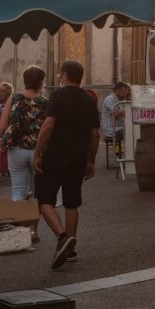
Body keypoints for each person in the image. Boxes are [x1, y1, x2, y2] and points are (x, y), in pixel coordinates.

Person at [33, 59, 100, 269]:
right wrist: (91, 160)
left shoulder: (58, 95)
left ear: (63, 76)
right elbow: (95, 134)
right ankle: (70, 248)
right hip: (79, 155)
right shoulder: (89, 99)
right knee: (72, 201)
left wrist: (38, 152)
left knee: (44, 199)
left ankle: (62, 237)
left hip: (55, 153)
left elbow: (48, 125)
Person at [0, 66, 48, 205]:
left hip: (16, 150)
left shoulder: (13, 99)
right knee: (37, 193)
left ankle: (20, 224)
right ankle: (33, 226)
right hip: (37, 151)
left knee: (18, 192)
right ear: (41, 82)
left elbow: (2, 127)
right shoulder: (45, 102)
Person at [0, 82, 13, 177]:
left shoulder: (6, 107)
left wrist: (0, 140)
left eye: (2, 91)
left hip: (4, 140)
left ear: (8, 94)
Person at [101, 81, 128, 146]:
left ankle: (128, 152)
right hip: (111, 130)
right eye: (123, 93)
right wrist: (126, 110)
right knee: (129, 132)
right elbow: (114, 114)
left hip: (117, 128)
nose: (125, 95)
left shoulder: (117, 100)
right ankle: (128, 153)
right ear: (118, 90)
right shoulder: (110, 98)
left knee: (132, 129)